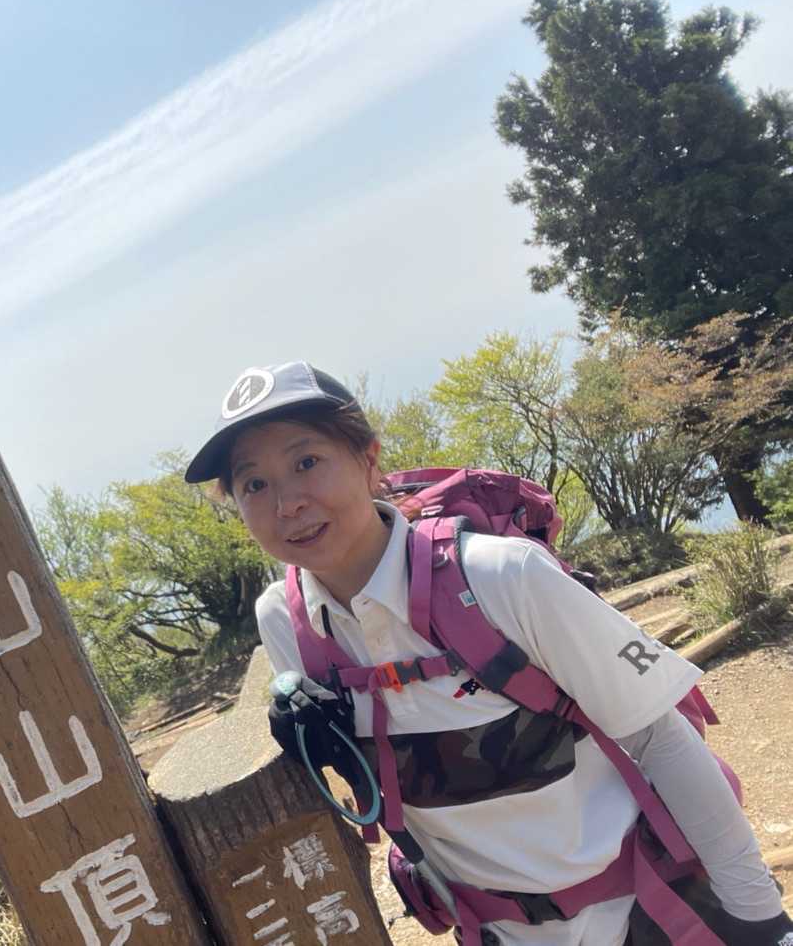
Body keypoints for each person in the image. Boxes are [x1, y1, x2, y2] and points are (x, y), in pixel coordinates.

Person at [184, 360, 793, 946]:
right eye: (254, 484)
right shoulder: (286, 623)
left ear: (368, 461)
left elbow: (660, 738)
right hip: (498, 930)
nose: (287, 503)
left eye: (307, 462)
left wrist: (759, 919)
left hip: (653, 907)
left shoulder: (500, 577)